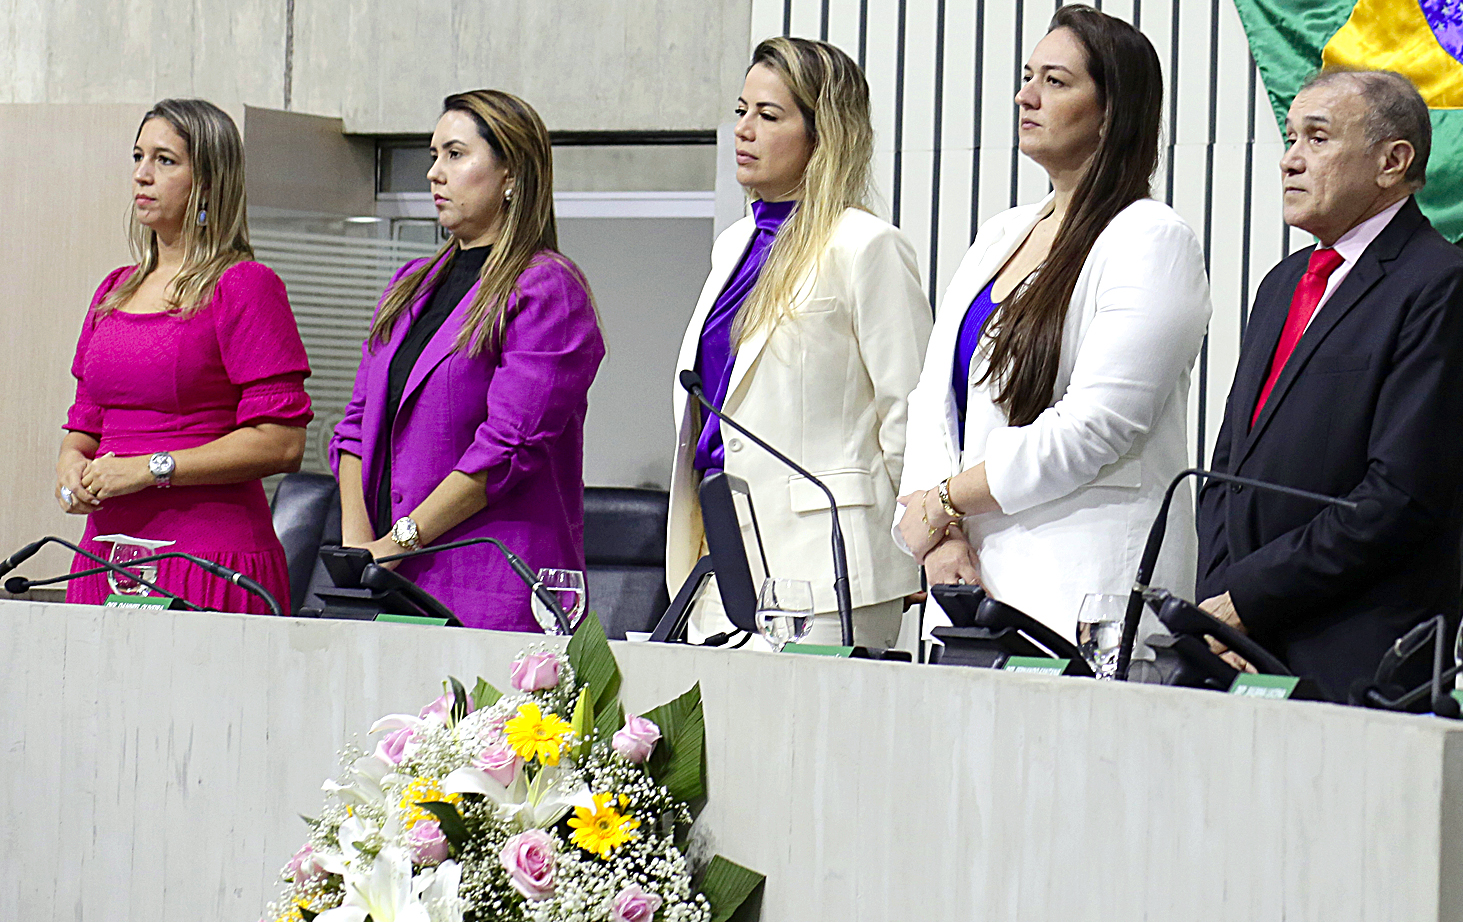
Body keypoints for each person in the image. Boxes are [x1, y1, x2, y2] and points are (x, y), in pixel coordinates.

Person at [893, 5, 1210, 644]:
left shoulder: (1151, 238)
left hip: (1082, 586)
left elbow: (1096, 426)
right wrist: (939, 541)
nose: (1025, 95)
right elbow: (933, 399)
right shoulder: (1003, 232)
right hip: (967, 580)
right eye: (1027, 75)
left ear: (1111, 112)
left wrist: (947, 501)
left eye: (1056, 81)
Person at [1195, 69, 1463, 703]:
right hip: (1242, 647)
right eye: (1289, 138)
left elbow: (1399, 498)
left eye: (1317, 138)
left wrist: (1248, 600)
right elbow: (1228, 469)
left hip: (1353, 654)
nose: (1289, 160)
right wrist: (1220, 610)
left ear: (1392, 162)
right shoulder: (1280, 286)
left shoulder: (1439, 286)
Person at [665, 38, 931, 648]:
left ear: (823, 133)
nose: (744, 131)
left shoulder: (865, 245)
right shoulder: (734, 244)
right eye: (740, 111)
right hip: (721, 554)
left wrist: (922, 544)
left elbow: (909, 415)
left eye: (769, 115)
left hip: (830, 565)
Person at [330, 90, 604, 631]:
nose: (434, 173)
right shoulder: (409, 284)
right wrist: (358, 549)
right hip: (386, 579)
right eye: (433, 156)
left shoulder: (547, 288)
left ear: (511, 175)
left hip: (487, 587)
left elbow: (505, 448)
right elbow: (356, 427)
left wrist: (398, 540)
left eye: (454, 155)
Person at [58, 99, 312, 613]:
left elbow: (282, 443)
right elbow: (86, 422)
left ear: (209, 180)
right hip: (105, 558)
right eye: (138, 157)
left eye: (165, 160)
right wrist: (69, 466)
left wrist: (150, 468)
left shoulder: (243, 286)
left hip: (208, 560)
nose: (142, 176)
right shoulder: (114, 289)